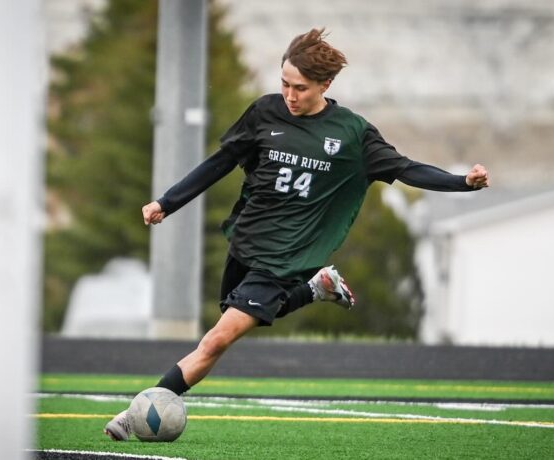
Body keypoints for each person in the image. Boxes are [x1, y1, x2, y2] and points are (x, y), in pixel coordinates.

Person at [104, 27, 489, 440]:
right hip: (249, 240)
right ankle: (318, 288)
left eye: (300, 88)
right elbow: (220, 163)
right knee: (233, 315)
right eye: (284, 84)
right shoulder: (264, 114)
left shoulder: (351, 135)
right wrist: (167, 202)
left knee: (216, 341)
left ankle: (136, 415)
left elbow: (407, 169)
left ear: (325, 84)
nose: (290, 95)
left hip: (289, 255)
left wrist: (461, 182)